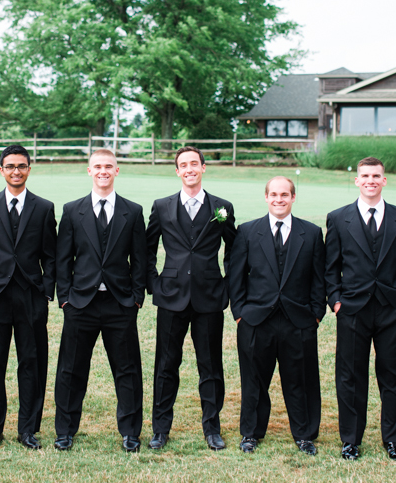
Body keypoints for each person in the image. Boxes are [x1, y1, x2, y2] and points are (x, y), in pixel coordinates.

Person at [53, 148, 148, 452]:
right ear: (89, 171)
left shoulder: (132, 212)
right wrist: (66, 298)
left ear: (116, 171)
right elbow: (62, 259)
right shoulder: (72, 210)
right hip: (81, 304)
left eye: (109, 166)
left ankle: (131, 432)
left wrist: (135, 298)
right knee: (71, 370)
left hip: (120, 305)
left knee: (128, 370)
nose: (103, 171)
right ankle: (65, 431)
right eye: (98, 166)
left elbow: (140, 259)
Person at [325, 156, 396, 461]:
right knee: (350, 376)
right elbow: (331, 267)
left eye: (376, 175)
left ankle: (394, 439)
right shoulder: (338, 218)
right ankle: (351, 439)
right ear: (356, 180)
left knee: (395, 375)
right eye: (365, 175)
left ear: (384, 180)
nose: (370, 180)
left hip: (393, 309)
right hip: (352, 308)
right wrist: (336, 300)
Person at [145, 146, 237, 451]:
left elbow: (234, 251)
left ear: (203, 167)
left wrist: (226, 286)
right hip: (171, 297)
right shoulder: (161, 206)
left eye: (194, 163)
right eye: (183, 165)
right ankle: (160, 429)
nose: (189, 169)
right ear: (177, 171)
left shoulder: (222, 207)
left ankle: (212, 429)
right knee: (166, 365)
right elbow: (147, 249)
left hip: (209, 298)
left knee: (210, 366)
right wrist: (155, 284)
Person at [226, 176, 325, 455]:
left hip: (300, 321)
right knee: (254, 380)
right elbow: (237, 277)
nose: (279, 199)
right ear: (266, 197)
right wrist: (240, 313)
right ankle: (251, 433)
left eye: (285, 194)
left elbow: (320, 279)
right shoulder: (248, 231)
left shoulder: (312, 233)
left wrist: (316, 314)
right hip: (256, 321)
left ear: (293, 198)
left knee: (301, 380)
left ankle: (305, 435)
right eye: (274, 194)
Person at [0, 145, 57, 451]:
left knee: (31, 363)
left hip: (31, 296)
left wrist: (46, 289)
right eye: (10, 166)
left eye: (21, 166)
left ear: (29, 169)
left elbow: (51, 255)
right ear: (2, 170)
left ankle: (28, 429)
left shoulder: (44, 208)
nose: (16, 171)